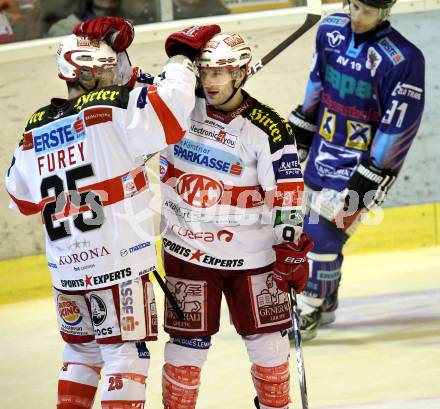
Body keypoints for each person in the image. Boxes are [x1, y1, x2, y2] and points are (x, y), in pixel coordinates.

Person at [5, 16, 219, 409]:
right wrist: (182, 58)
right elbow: (171, 113)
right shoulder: (112, 106)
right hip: (117, 265)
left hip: (66, 270)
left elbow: (20, 198)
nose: (113, 74)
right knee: (126, 356)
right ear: (82, 72)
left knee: (80, 355)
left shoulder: (35, 127)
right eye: (104, 68)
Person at [159, 31, 313, 409]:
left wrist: (290, 248)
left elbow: (288, 193)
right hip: (187, 251)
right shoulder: (175, 105)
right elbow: (125, 92)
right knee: (186, 348)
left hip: (253, 258)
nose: (210, 81)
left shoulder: (269, 128)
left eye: (221, 73)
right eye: (205, 71)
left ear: (241, 73)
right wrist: (177, 55)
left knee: (268, 344)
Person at [288, 0, 425, 340]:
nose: (357, 17)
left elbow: (397, 126)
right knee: (317, 231)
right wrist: (302, 131)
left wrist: (369, 180)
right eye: (355, 7)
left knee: (320, 232)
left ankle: (307, 309)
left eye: (368, 11)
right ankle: (327, 298)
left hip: (362, 167)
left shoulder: (404, 59)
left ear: (386, 11)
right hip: (323, 151)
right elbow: (317, 80)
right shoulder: (331, 29)